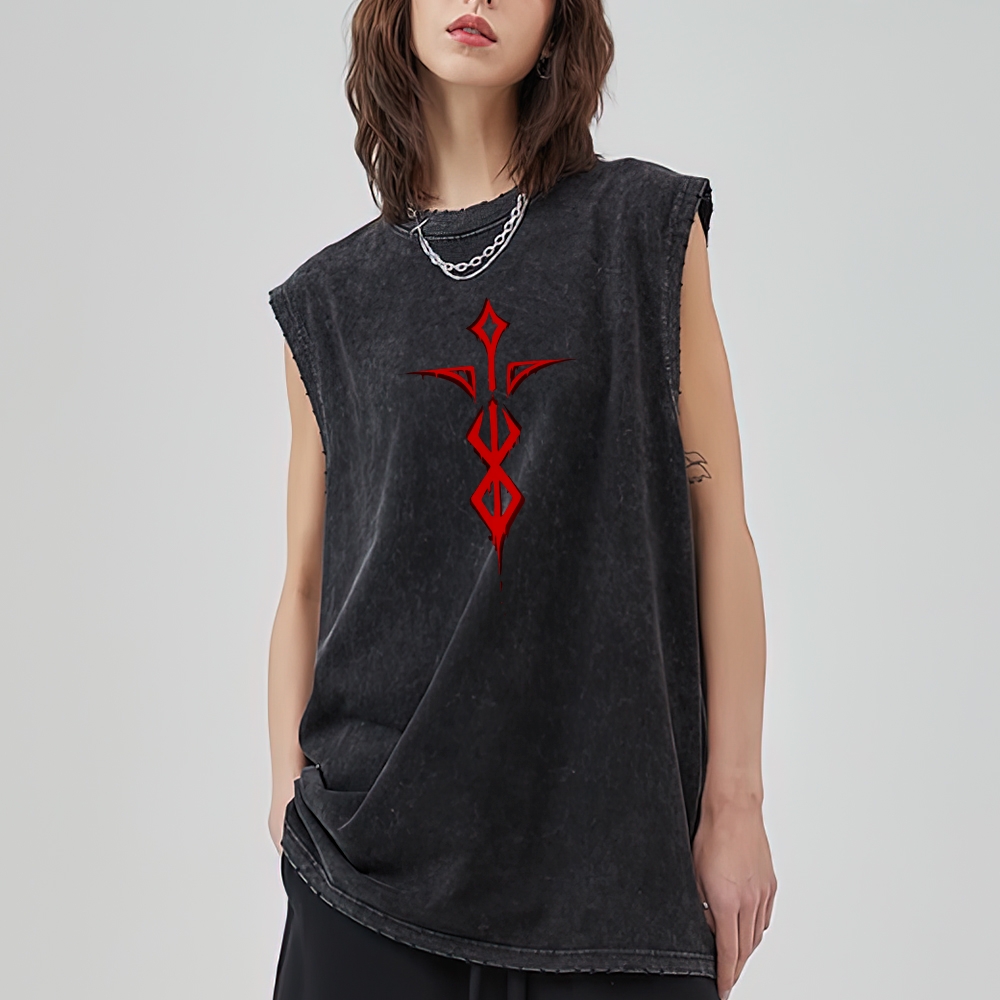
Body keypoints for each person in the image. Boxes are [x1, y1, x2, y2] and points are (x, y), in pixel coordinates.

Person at [266, 1, 776, 998]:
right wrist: (289, 801)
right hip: (370, 875)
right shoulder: (329, 301)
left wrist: (735, 803)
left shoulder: (643, 229)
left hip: (613, 871)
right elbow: (305, 582)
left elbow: (718, 517)